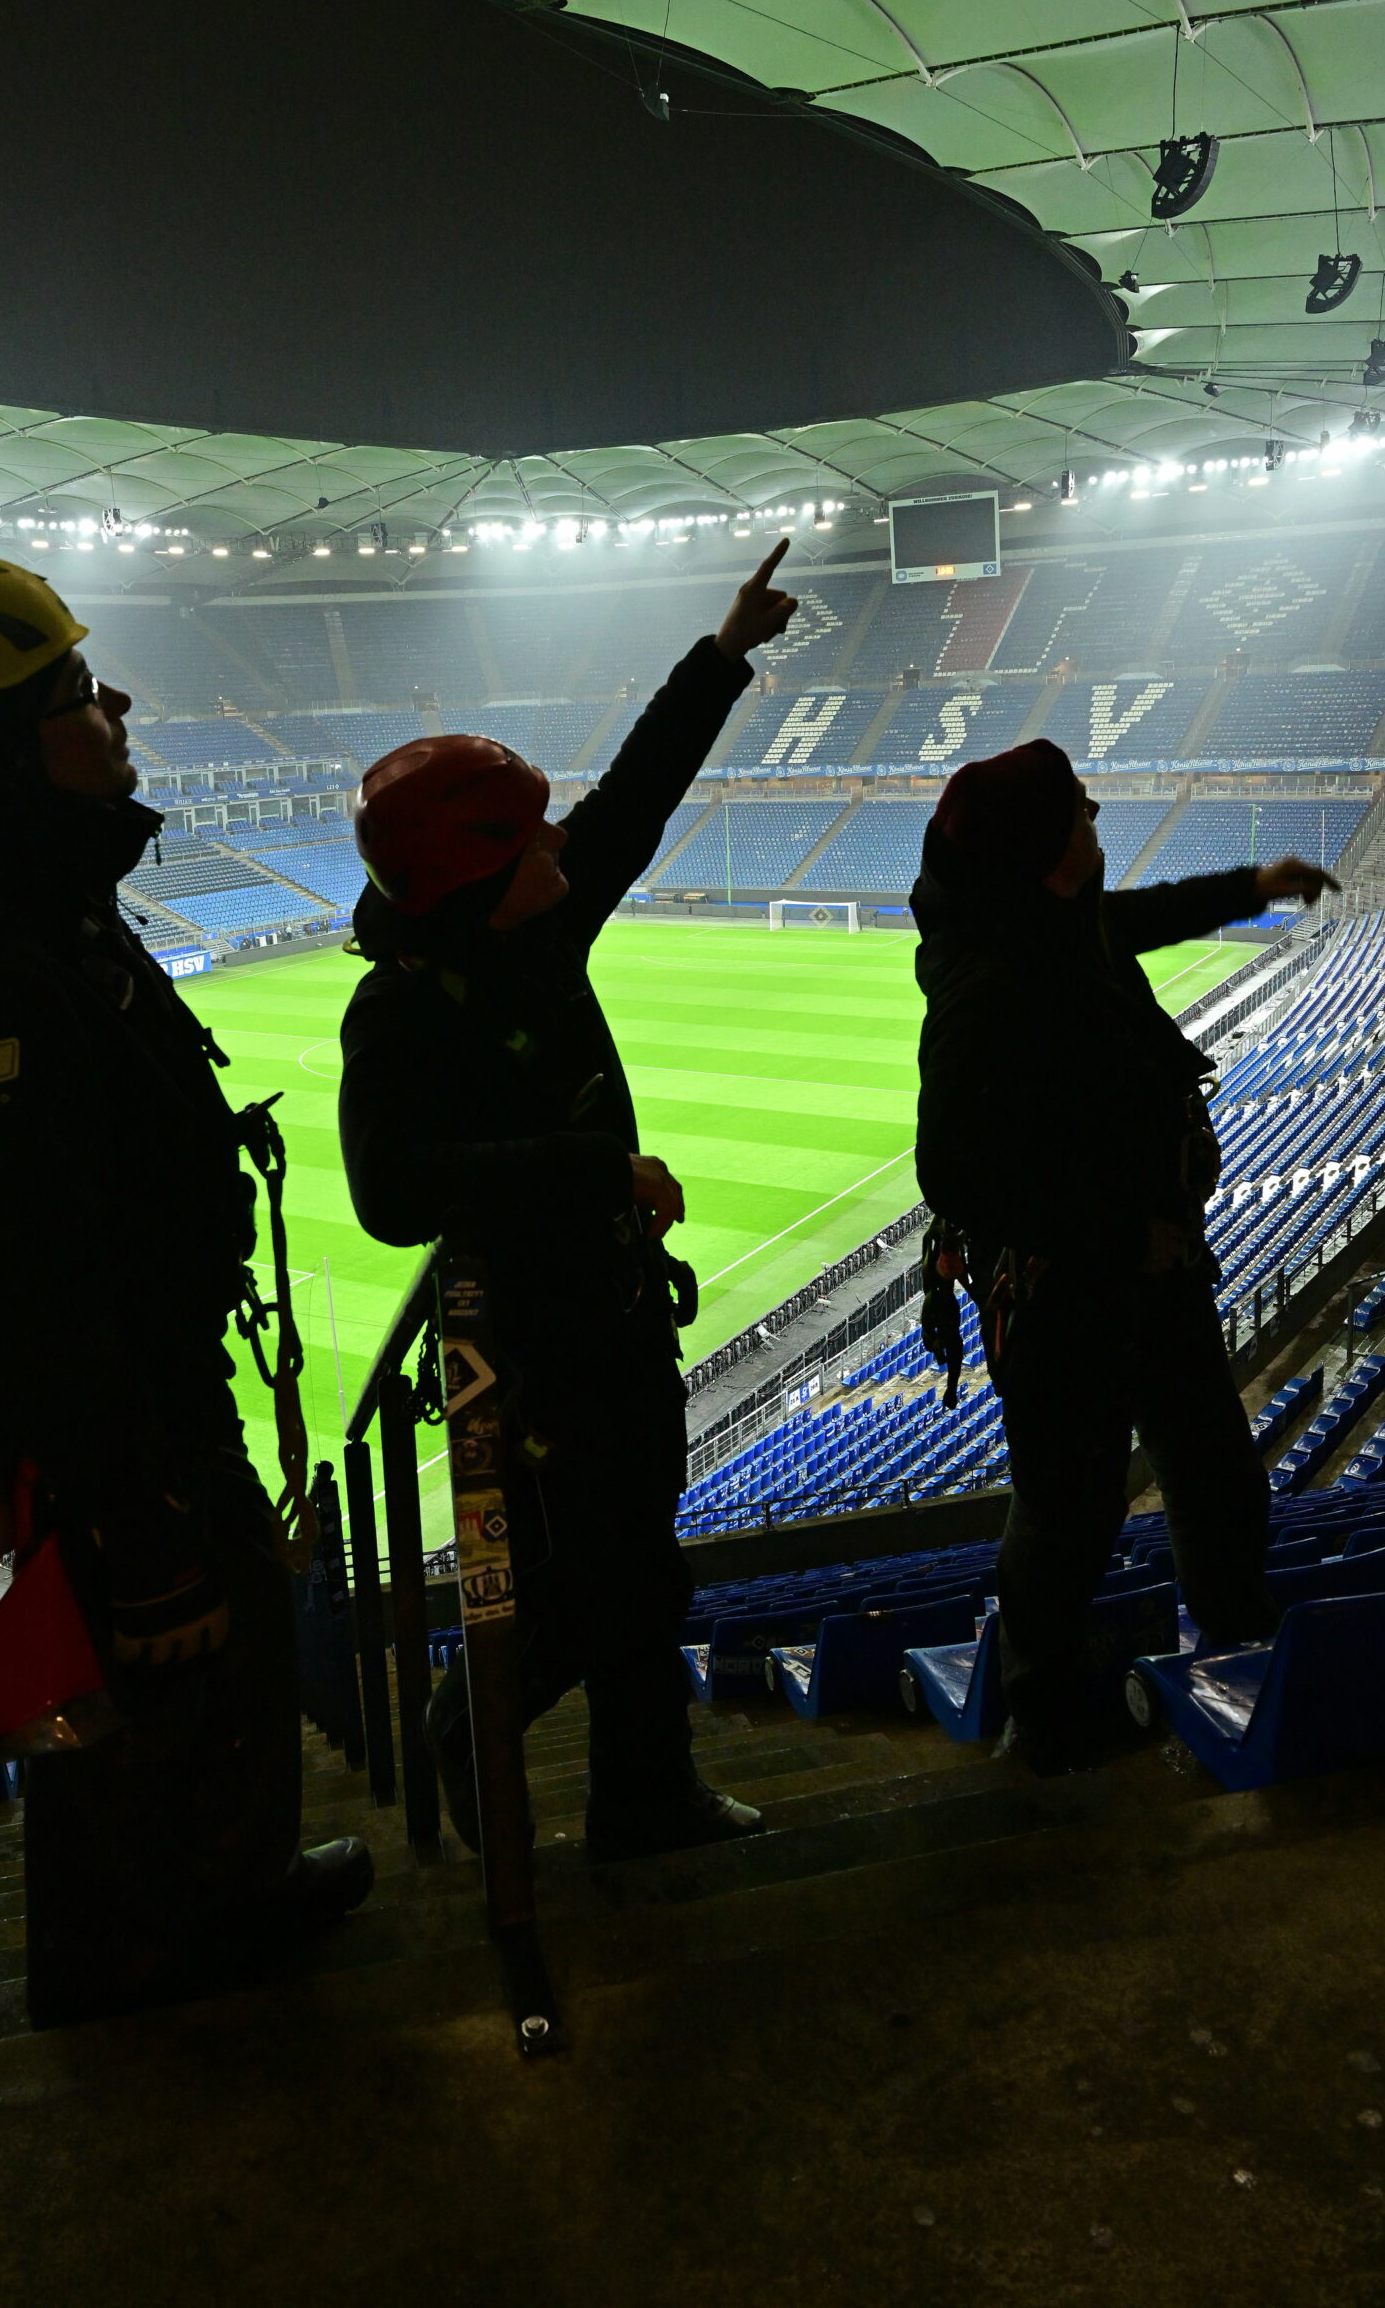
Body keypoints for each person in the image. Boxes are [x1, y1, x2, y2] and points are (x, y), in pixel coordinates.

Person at [0, 552, 369, 2025]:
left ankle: (205, 1914)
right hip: (124, 1430)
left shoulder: (27, 902)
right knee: (162, 1678)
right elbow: (42, 1290)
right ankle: (164, 1977)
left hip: (146, 1398)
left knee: (186, 1694)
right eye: (73, 688)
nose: (115, 703)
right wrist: (145, 1537)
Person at [339, 540, 799, 1859]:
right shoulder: (400, 1015)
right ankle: (516, 1763)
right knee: (601, 1586)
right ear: (466, 875)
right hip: (533, 1352)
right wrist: (593, 1168)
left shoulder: (530, 921)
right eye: (526, 831)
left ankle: (620, 1793)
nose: (561, 839)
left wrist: (723, 656)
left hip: (602, 1316)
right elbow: (389, 1194)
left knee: (622, 1576)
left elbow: (638, 797)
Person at [911, 738, 1338, 1773]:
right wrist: (1107, 1228)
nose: (1098, 825)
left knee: (1213, 1473)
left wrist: (1250, 885)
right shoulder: (990, 986)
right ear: (1051, 850)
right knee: (1068, 1507)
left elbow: (1144, 912)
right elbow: (951, 1172)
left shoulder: (1059, 924)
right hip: (1066, 1298)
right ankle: (1041, 1711)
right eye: (1085, 815)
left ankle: (1235, 1654)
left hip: (1151, 1274)